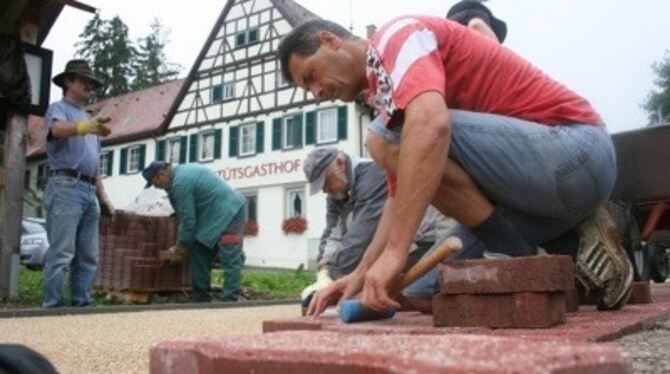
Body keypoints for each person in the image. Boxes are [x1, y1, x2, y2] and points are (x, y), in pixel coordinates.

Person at [278, 16, 633, 315]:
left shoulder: (397, 37)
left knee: (384, 137)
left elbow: (432, 126)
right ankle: (562, 253)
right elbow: (397, 200)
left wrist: (397, 252)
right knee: (418, 290)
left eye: (311, 76)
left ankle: (533, 244)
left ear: (330, 41)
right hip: (537, 202)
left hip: (577, 156)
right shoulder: (387, 103)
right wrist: (360, 274)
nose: (317, 93)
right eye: (308, 89)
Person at [299, 147, 451, 306]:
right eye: (321, 186)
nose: (325, 189)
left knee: (412, 295)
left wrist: (334, 279)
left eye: (326, 181)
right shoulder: (336, 192)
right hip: (394, 245)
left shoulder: (373, 174)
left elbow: (361, 236)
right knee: (370, 289)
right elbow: (332, 232)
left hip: (423, 241)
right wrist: (324, 270)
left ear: (340, 163)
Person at [42, 59, 115, 308]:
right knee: (62, 253)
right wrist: (86, 126)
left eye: (91, 82)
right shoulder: (58, 108)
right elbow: (58, 130)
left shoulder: (89, 118)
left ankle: (82, 305)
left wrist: (103, 197)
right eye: (83, 80)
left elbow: (93, 164)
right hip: (66, 183)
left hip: (88, 189)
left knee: (88, 255)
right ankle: (52, 306)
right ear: (68, 81)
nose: (89, 85)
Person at [142, 161, 246, 302]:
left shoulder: (180, 183)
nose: (156, 186)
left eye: (154, 182)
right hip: (212, 214)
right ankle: (201, 297)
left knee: (229, 256)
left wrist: (180, 248)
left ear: (161, 174)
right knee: (198, 247)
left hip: (231, 212)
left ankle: (230, 300)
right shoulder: (177, 178)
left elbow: (188, 222)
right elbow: (185, 212)